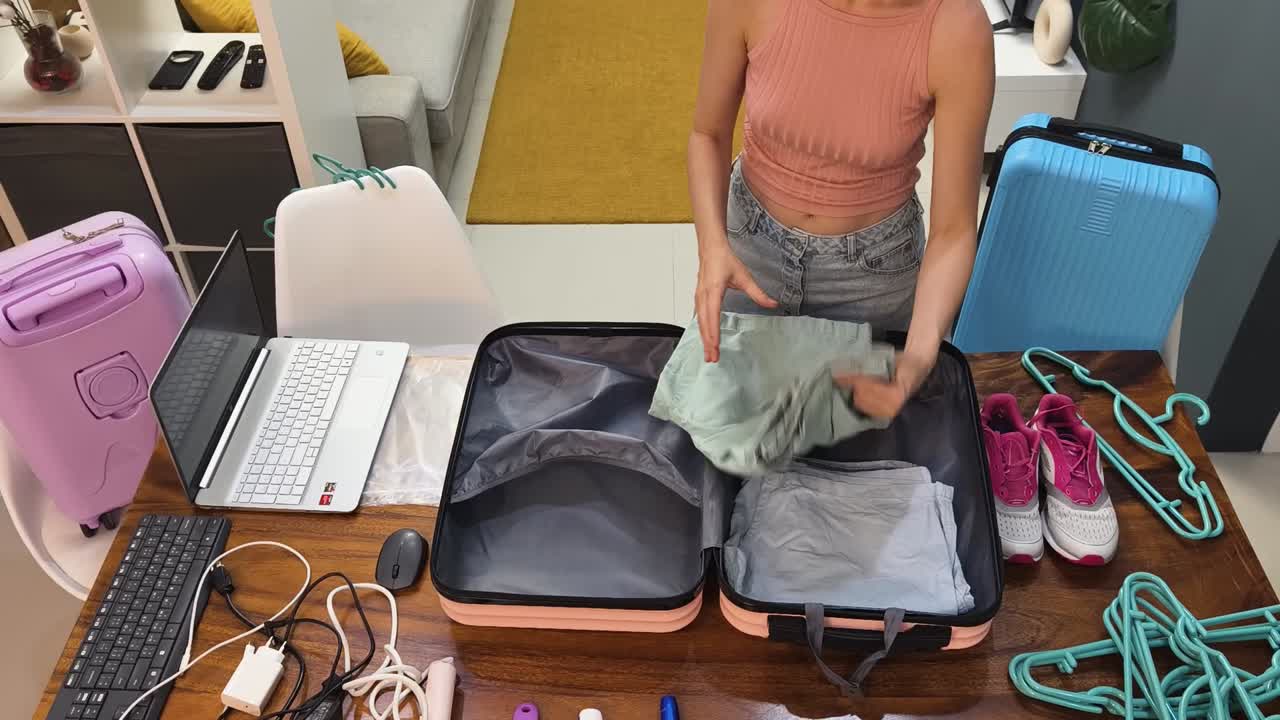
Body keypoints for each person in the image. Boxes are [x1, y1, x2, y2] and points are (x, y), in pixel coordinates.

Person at [687, 0, 994, 420]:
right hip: (748, 255)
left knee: (859, 463)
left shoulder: (956, 26)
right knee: (723, 433)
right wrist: (712, 247)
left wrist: (918, 358)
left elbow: (954, 230)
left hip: (873, 280)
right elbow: (707, 133)